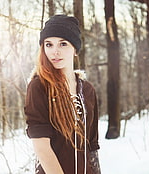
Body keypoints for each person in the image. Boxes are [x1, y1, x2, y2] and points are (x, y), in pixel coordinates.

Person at [25, 14, 100, 174]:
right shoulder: (39, 87)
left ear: (75, 49)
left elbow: (92, 147)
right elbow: (42, 149)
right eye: (49, 44)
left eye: (63, 44)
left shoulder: (87, 90)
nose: (55, 52)